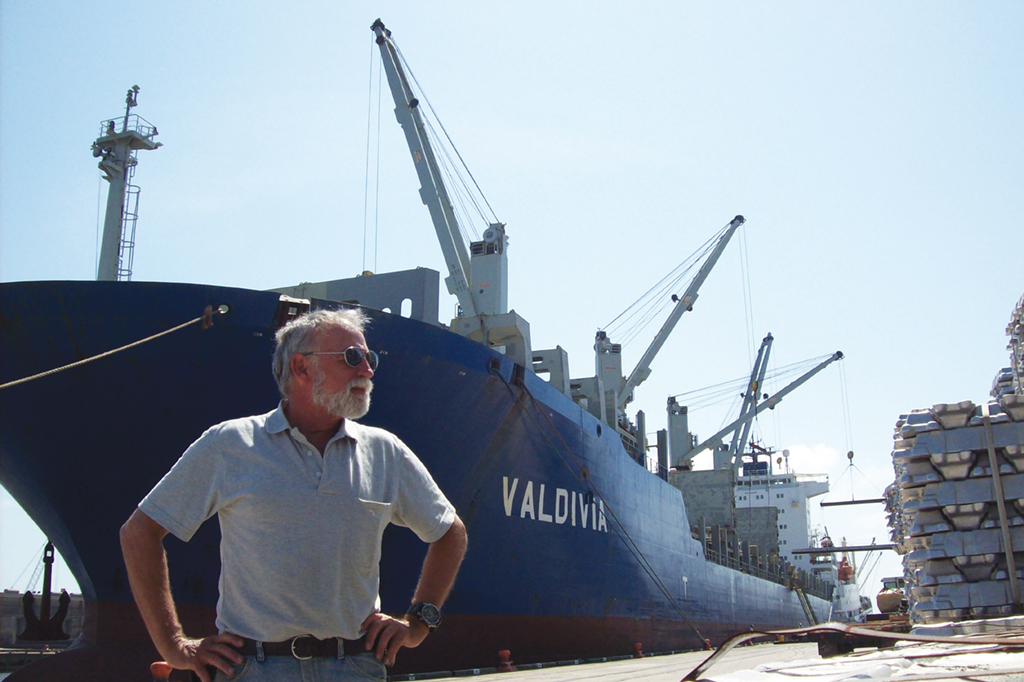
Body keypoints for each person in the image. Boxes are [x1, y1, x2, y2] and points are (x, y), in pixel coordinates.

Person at [120, 308, 467, 682]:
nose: (367, 370)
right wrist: (174, 644)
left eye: (370, 358)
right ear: (302, 367)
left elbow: (450, 532)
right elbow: (139, 532)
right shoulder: (230, 443)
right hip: (254, 668)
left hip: (355, 666)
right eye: (352, 357)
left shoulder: (386, 452)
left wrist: (417, 624)